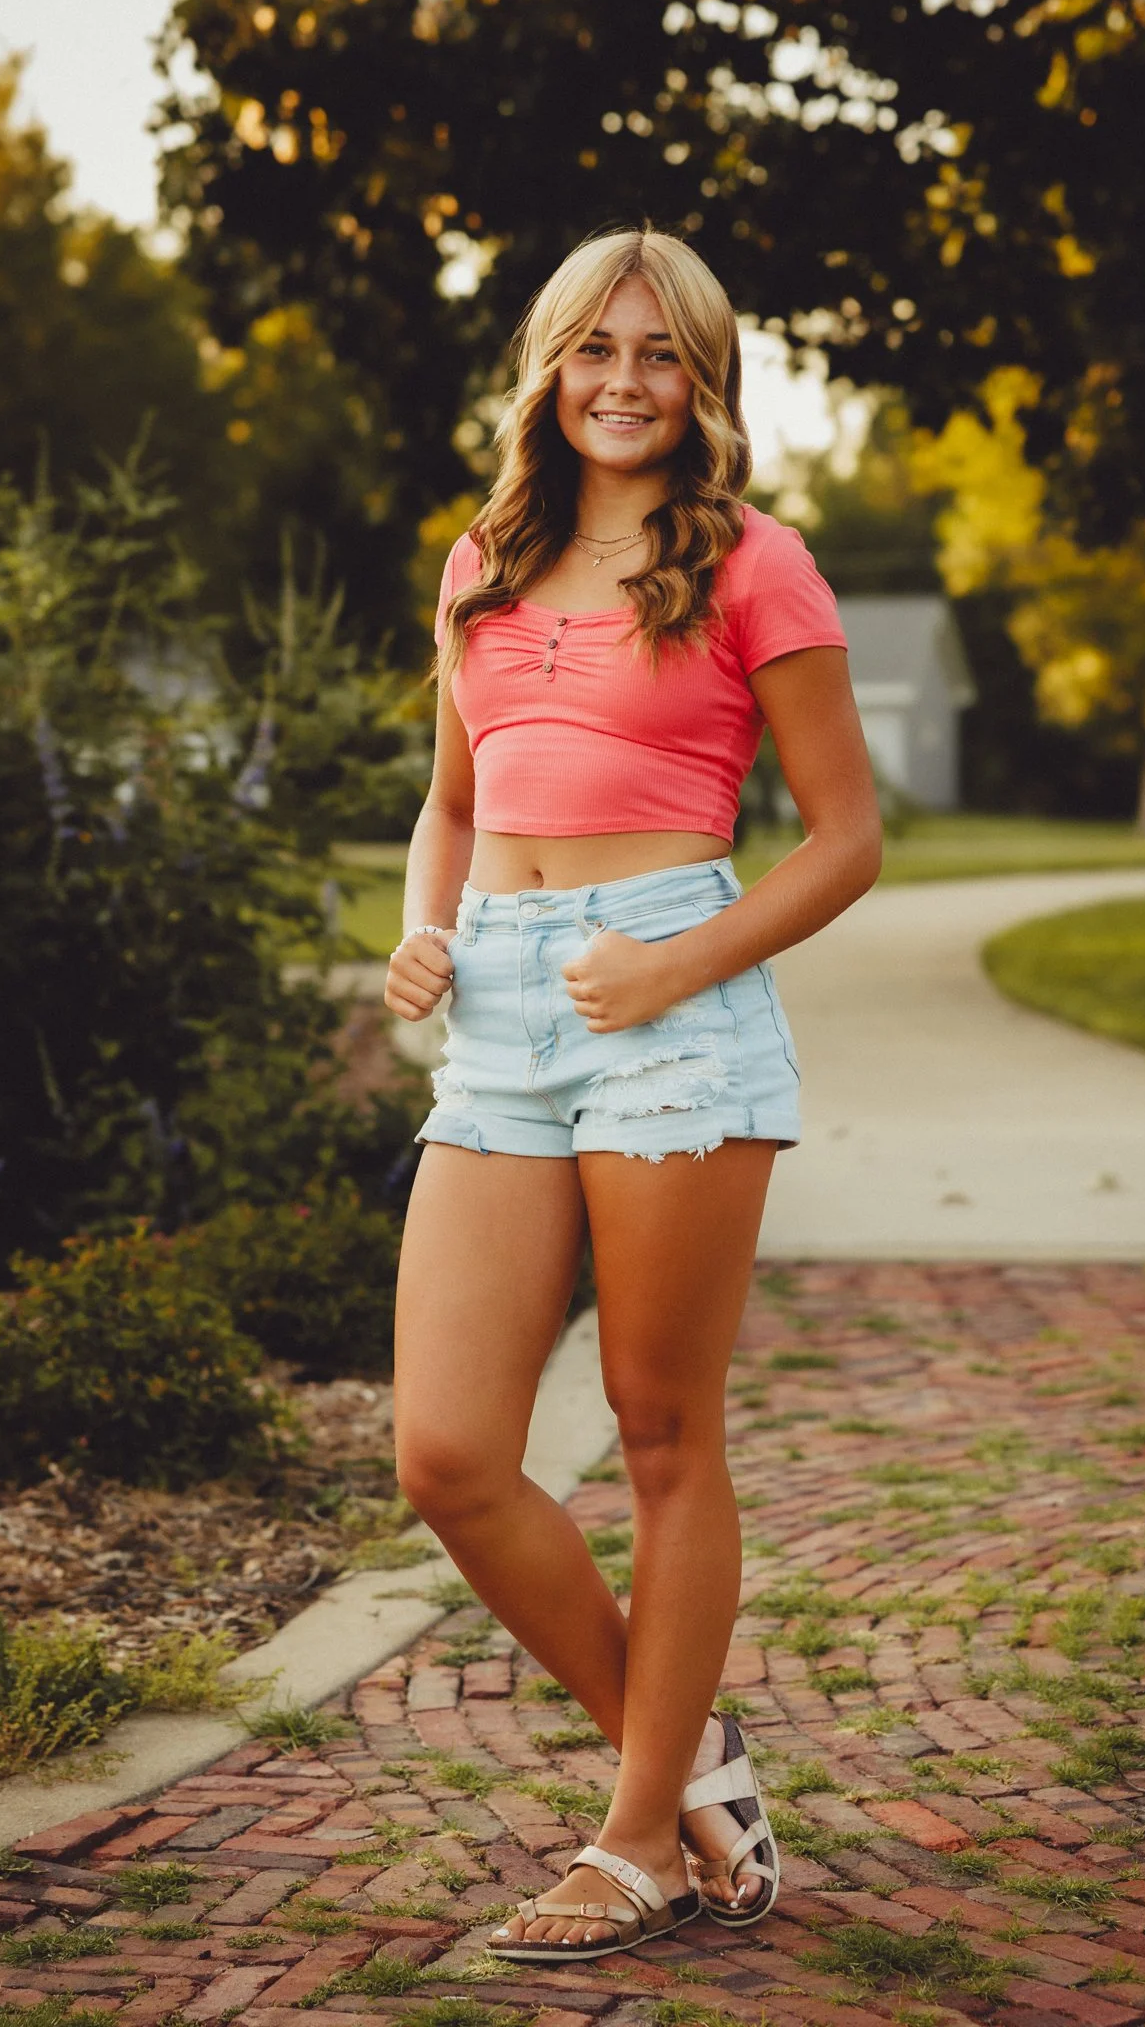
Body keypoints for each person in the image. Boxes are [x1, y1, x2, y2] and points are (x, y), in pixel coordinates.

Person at [385, 226, 881, 1963]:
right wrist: (423, 933)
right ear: (547, 364)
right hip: (503, 1012)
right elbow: (454, 799)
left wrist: (677, 962)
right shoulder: (483, 559)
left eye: (658, 354)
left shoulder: (754, 563)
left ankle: (633, 1839)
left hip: (670, 992)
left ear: (703, 380)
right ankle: (688, 1770)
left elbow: (847, 839)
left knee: (665, 1439)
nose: (620, 380)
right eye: (592, 348)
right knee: (446, 1451)